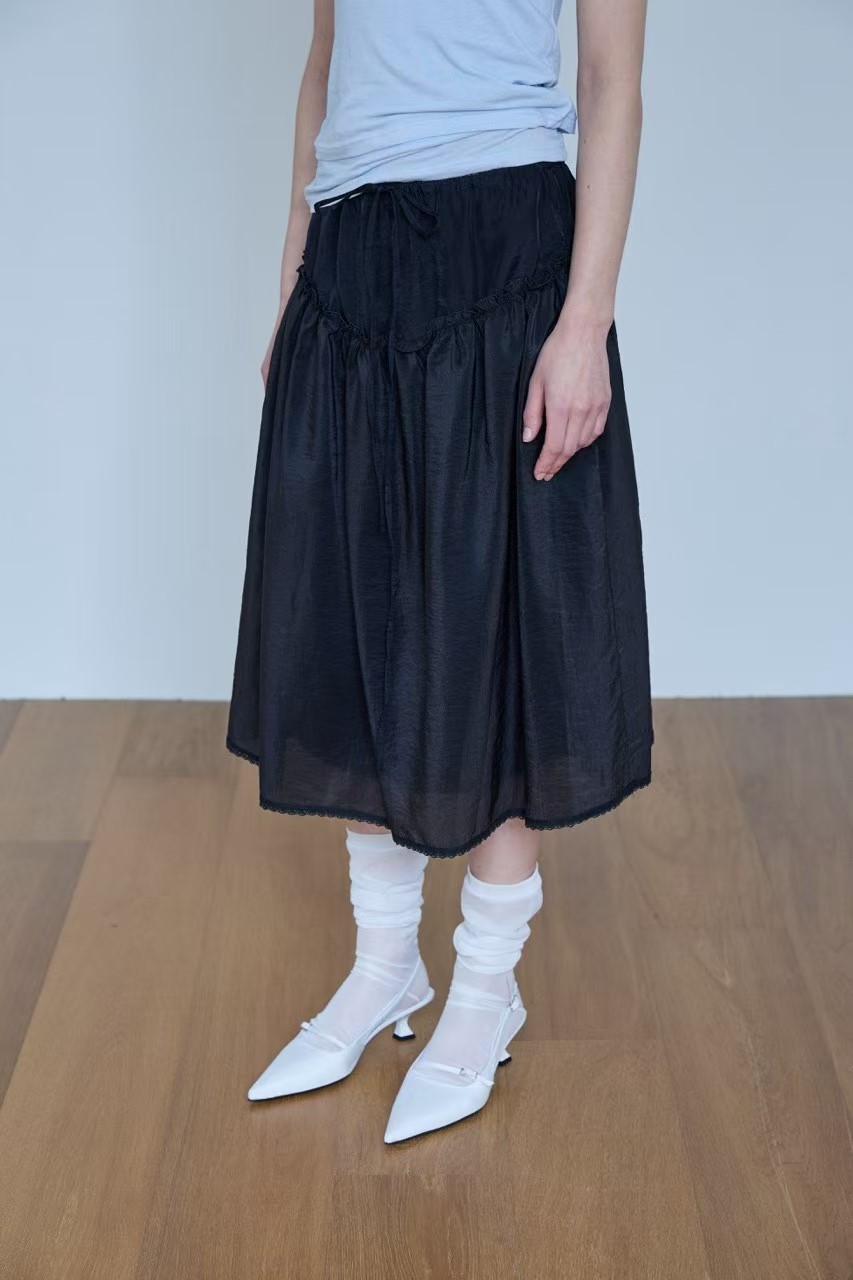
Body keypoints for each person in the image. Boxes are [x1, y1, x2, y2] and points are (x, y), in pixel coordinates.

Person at [226, 0, 652, 1142]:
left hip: (503, 240)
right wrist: (291, 282)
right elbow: (328, 60)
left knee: (493, 622)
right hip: (351, 250)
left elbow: (610, 80)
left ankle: (485, 985)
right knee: (356, 615)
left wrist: (585, 322)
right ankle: (384, 966)